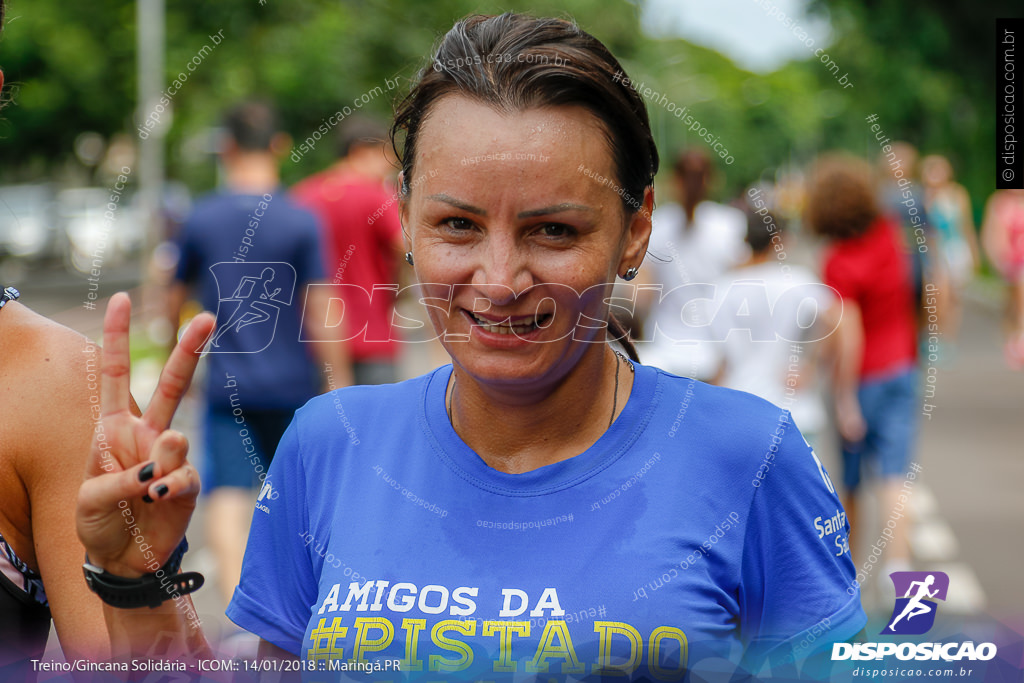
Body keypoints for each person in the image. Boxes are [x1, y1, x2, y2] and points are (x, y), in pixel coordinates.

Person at [78, 13, 865, 679]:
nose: (498, 279)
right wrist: (137, 574)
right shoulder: (330, 445)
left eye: (553, 230)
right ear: (409, 219)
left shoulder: (751, 459)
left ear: (635, 229)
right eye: (457, 224)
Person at [168, 100, 350, 602]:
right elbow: (322, 307)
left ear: (225, 147)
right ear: (280, 146)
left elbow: (171, 300)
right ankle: (299, 609)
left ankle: (238, 616)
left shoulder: (200, 219)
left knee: (228, 493)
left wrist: (172, 361)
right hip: (293, 382)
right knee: (294, 498)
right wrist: (341, 383)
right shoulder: (300, 220)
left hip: (228, 386)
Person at [806, 154, 919, 582]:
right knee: (895, 478)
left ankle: (848, 579)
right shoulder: (890, 234)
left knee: (851, 485)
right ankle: (901, 576)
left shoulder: (838, 260)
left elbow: (847, 331)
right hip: (902, 369)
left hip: (863, 379)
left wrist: (844, 396)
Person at [709, 205, 839, 448]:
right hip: (794, 410)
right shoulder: (798, 281)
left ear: (746, 239)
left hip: (740, 407)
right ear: (778, 241)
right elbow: (835, 319)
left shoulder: (722, 288)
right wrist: (811, 367)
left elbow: (718, 360)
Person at [292, 116, 406, 385]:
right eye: (385, 160)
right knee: (376, 423)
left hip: (314, 342)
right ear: (360, 152)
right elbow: (406, 247)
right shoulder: (376, 195)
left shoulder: (301, 195)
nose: (387, 172)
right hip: (371, 336)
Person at [640, 148, 748, 380]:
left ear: (673, 181)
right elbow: (740, 293)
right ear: (713, 180)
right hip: (717, 352)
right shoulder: (730, 224)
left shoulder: (654, 226)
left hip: (664, 350)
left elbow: (642, 296)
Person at [921, 154, 980, 352]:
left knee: (954, 297)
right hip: (932, 252)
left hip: (955, 249)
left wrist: (974, 252)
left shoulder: (958, 194)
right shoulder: (922, 196)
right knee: (937, 295)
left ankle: (948, 339)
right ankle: (933, 336)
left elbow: (966, 225)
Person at [980, 189, 1024, 369]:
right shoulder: (999, 201)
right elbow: (991, 233)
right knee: (1013, 302)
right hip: (1009, 259)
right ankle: (1013, 338)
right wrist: (996, 259)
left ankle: (1019, 339)